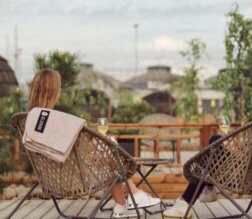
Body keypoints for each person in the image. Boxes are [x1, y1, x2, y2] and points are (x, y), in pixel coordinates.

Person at [26, 69, 160, 218]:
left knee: (109, 152)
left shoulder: (31, 120)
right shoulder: (54, 120)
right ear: (53, 91)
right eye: (59, 86)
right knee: (111, 149)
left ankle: (121, 204)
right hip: (74, 177)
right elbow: (76, 146)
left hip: (52, 178)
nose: (60, 90)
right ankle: (134, 195)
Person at [163, 66, 252, 218]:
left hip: (247, 174)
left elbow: (249, 151)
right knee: (216, 144)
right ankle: (202, 192)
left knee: (214, 145)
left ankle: (188, 200)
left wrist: (232, 142)